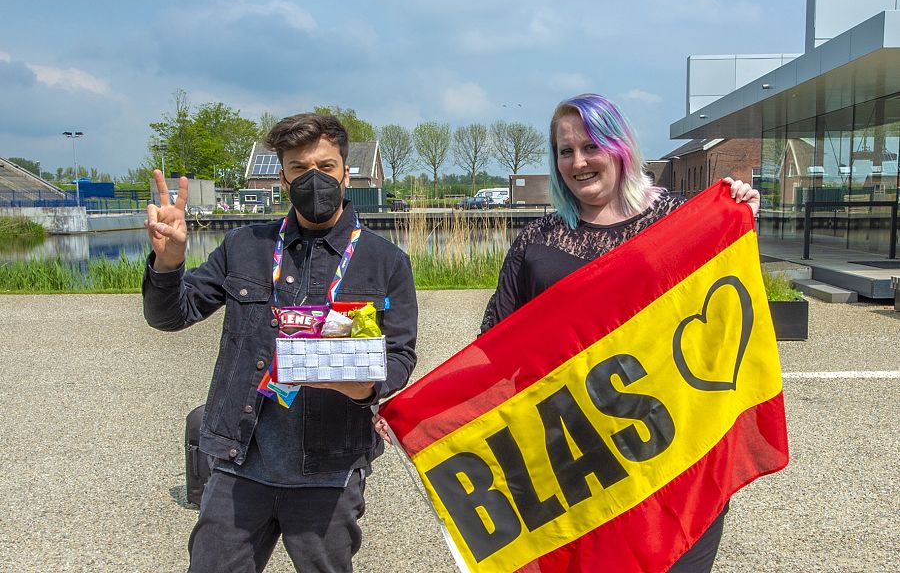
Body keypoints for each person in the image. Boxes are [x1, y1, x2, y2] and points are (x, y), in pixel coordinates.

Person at [479, 93, 759, 572]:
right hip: (579, 458)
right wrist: (419, 414)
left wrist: (740, 217)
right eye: (565, 151)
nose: (578, 162)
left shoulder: (678, 221)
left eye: (590, 146)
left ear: (620, 146)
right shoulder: (536, 242)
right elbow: (493, 346)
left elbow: (728, 302)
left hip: (670, 445)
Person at [143, 113, 418, 573]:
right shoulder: (244, 245)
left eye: (326, 166)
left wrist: (367, 387)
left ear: (346, 172)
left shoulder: (384, 261)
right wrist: (169, 262)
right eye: (298, 168)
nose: (314, 178)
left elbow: (400, 356)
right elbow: (171, 315)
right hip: (239, 459)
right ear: (283, 178)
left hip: (329, 467)